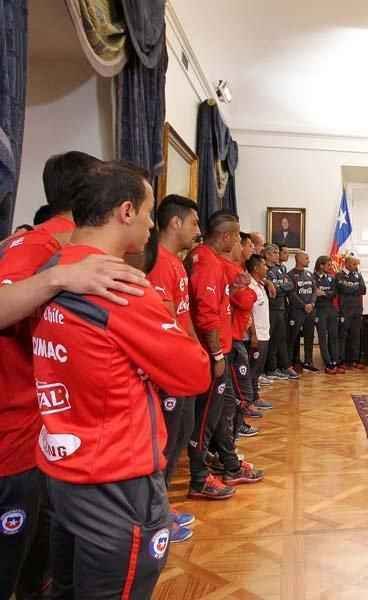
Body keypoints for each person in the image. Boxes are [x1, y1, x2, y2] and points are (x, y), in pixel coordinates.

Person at [32, 160, 211, 598]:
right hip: (117, 479)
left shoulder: (54, 267)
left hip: (63, 468)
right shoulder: (121, 286)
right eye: (150, 213)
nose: (152, 225)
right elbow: (193, 373)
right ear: (126, 211)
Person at [0, 152, 148, 599]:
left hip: (45, 434)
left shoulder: (60, 248)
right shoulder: (42, 247)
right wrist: (57, 278)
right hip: (17, 433)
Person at [186, 211, 263, 500]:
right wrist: (217, 354)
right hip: (215, 352)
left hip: (221, 348)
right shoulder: (207, 261)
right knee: (207, 417)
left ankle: (228, 463)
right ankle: (198, 478)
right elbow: (207, 315)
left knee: (221, 412)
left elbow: (228, 299)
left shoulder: (207, 260)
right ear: (228, 236)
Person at [147, 194, 202, 543]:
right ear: (175, 222)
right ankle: (155, 517)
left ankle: (162, 508)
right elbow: (162, 322)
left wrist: (196, 353)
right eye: (194, 222)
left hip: (183, 367)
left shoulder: (177, 263)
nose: (198, 230)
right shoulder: (157, 263)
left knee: (179, 436)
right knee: (164, 446)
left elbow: (184, 316)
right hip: (168, 372)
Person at [224, 233, 263, 441]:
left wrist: (248, 292)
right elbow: (246, 301)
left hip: (239, 334)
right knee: (240, 391)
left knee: (242, 390)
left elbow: (250, 297)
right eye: (247, 244)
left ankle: (238, 427)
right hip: (232, 338)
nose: (252, 249)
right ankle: (233, 431)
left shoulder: (239, 270)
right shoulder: (230, 269)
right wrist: (247, 292)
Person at [264, 244, 298, 379]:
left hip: (281, 307)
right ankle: (269, 369)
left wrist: (279, 287)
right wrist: (280, 287)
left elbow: (290, 285)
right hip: (271, 308)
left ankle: (280, 366)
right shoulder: (266, 269)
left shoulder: (281, 268)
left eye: (278, 252)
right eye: (275, 252)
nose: (278, 255)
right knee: (270, 339)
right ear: (267, 255)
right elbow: (274, 291)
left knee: (280, 338)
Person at [247, 254, 274, 394]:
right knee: (253, 369)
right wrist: (253, 334)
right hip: (257, 334)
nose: (266, 267)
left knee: (258, 368)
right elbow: (248, 311)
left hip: (265, 332)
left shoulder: (260, 284)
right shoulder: (250, 286)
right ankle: (251, 398)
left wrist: (268, 282)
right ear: (256, 268)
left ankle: (254, 396)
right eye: (264, 265)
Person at [288, 251, 317, 372]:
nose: (308, 260)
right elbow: (291, 293)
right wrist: (303, 305)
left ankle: (308, 361)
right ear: (298, 259)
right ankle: (291, 362)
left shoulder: (310, 274)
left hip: (310, 311)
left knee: (309, 336)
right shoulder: (290, 274)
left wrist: (312, 303)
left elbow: (315, 290)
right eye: (306, 258)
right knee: (293, 337)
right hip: (297, 311)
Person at [336, 255, 367, 369]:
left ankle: (354, 360)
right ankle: (341, 360)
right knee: (343, 336)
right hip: (345, 310)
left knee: (356, 335)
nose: (356, 266)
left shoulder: (358, 275)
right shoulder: (339, 275)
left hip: (357, 310)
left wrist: (351, 287)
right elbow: (343, 289)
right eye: (354, 264)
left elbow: (363, 289)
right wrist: (354, 287)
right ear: (347, 264)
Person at [313, 256, 341, 374]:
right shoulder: (312, 278)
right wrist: (323, 293)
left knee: (334, 336)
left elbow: (334, 293)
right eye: (328, 265)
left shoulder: (331, 278)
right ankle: (328, 363)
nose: (331, 267)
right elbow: (314, 293)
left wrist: (323, 293)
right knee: (323, 338)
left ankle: (335, 362)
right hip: (319, 310)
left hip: (331, 309)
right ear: (321, 265)